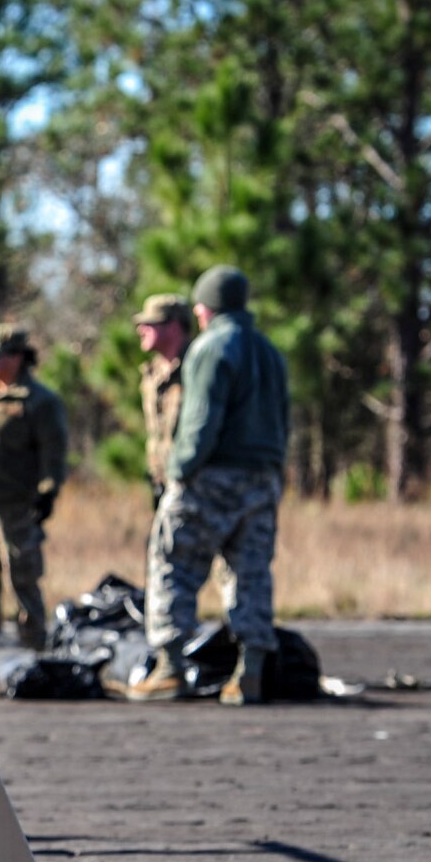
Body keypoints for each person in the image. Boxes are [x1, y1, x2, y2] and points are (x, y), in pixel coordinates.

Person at [128, 266, 289, 706]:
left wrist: (179, 471)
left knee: (172, 562)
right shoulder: (270, 352)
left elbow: (200, 423)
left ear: (204, 309)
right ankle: (249, 672)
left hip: (212, 476)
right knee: (250, 572)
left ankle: (171, 668)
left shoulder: (210, 348)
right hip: (262, 479)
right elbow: (283, 422)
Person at [0, 324, 68, 651]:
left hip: (16, 503)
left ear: (18, 358)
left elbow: (53, 452)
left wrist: (47, 492)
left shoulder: (39, 401)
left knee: (21, 574)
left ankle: (34, 642)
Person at [134, 295, 192, 502]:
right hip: (163, 485)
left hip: (194, 487)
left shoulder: (196, 368)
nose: (141, 329)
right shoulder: (151, 375)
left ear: (174, 326)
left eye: (150, 324)